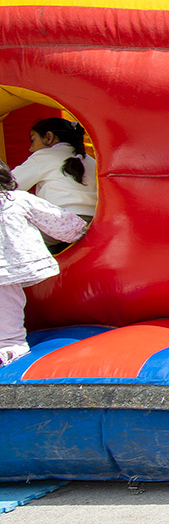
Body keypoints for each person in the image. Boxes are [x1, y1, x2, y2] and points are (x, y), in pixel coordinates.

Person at [0, 160, 89, 365]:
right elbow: (57, 220)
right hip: (8, 268)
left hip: (6, 268)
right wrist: (79, 231)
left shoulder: (17, 200)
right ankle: (10, 346)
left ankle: (10, 346)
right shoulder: (17, 199)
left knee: (6, 305)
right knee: (7, 306)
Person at [14, 117, 97, 247]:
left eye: (33, 140)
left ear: (49, 137)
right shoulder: (91, 161)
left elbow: (9, 184)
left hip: (61, 224)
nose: (31, 149)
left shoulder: (44, 156)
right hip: (94, 223)